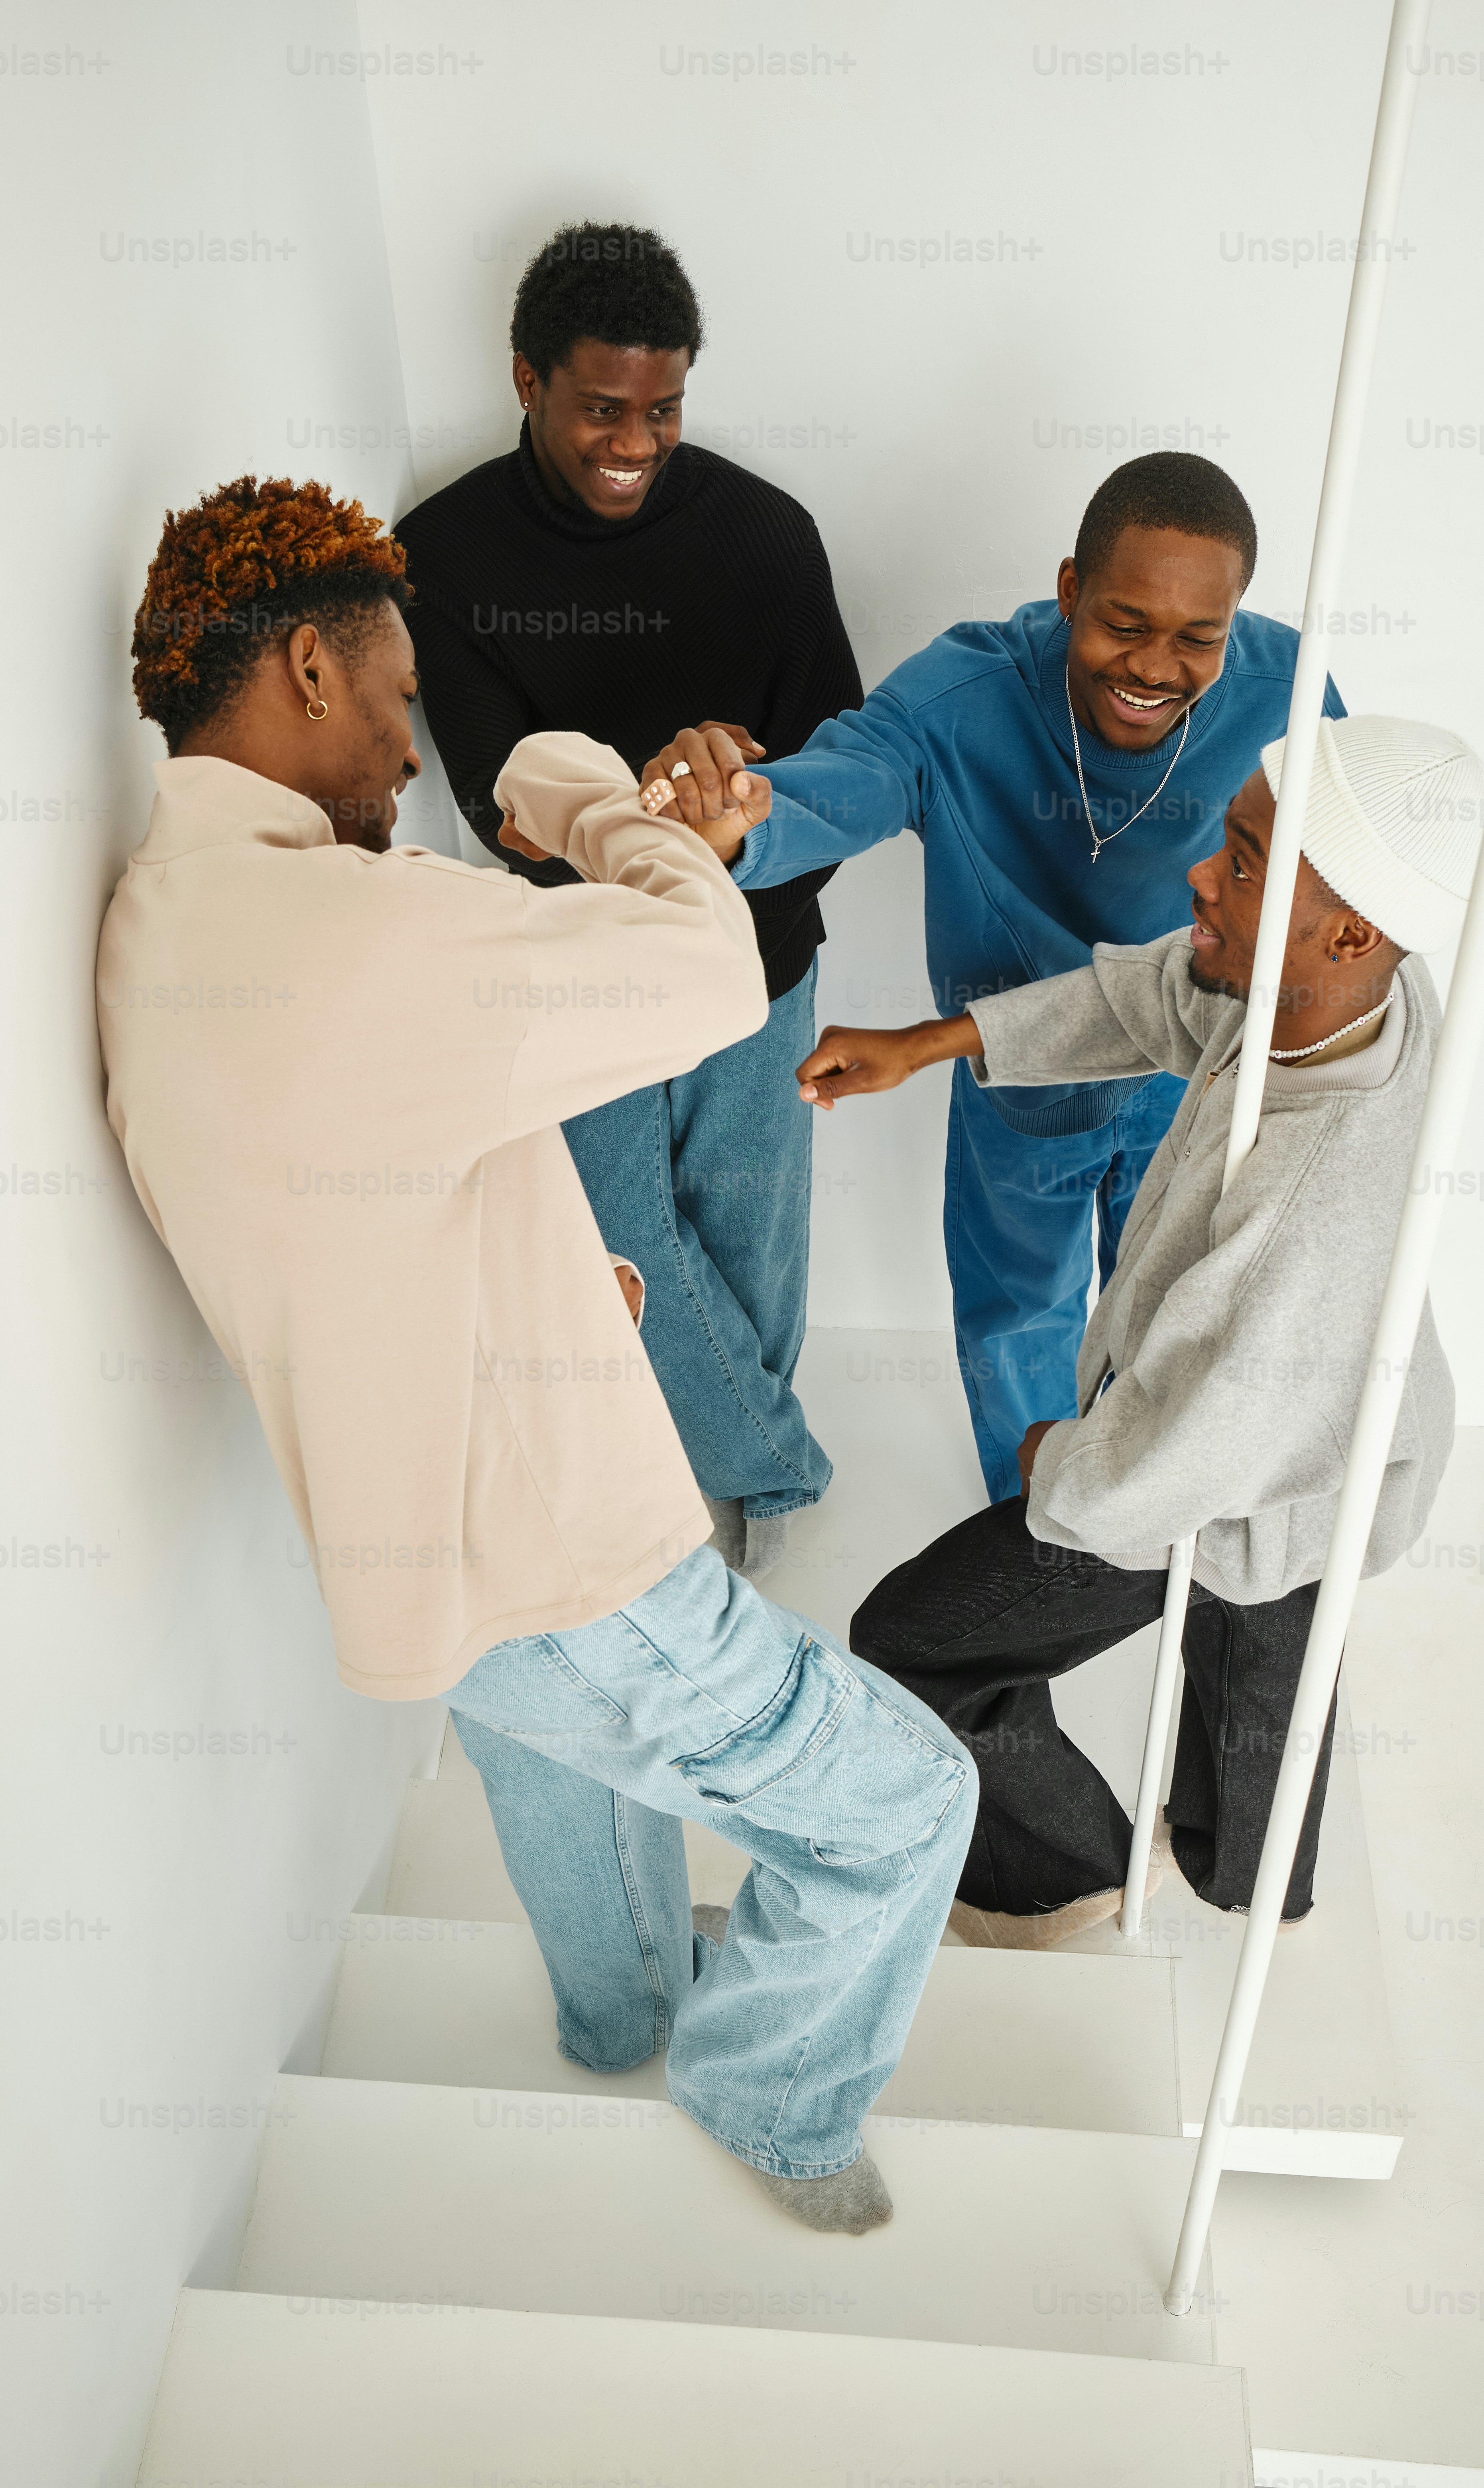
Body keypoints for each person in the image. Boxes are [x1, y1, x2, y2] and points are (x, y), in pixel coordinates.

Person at [98, 474, 976, 2232]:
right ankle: (770, 2104)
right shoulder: (361, 929)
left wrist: (559, 1293)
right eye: (405, 697)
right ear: (308, 672)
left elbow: (354, 1191)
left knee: (563, 1777)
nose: (412, 751)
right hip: (569, 1551)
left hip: (409, 1560)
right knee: (902, 1808)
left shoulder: (158, 921)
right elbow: (702, 971)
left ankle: (623, 2024)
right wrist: (572, 780)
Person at [792, 715, 1477, 1942]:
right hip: (1317, 1444)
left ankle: (1059, 1879)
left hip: (1262, 1454)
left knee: (914, 1642)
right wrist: (935, 1044)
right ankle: (1243, 1874)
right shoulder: (1341, 989)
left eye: (1248, 862)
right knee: (1261, 1655)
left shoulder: (1314, 1214)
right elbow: (1169, 989)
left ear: (1353, 930)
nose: (1200, 879)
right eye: (1230, 841)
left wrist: (1055, 1461)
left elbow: (1174, 1465)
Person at [644, 453, 1345, 1501]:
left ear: (1237, 621)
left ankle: (1153, 1518)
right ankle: (1031, 1544)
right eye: (1124, 623)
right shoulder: (963, 693)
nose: (1155, 666)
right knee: (1021, 1322)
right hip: (1018, 1078)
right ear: (1070, 591)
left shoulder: (1294, 694)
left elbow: (1342, 879)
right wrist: (739, 815)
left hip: (1198, 1077)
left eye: (1199, 637)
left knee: (1186, 1319)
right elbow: (850, 777)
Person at [394, 221, 864, 1577]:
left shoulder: (770, 538)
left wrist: (738, 822)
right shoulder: (444, 555)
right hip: (577, 963)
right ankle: (766, 1457)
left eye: (663, 410)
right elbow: (498, 802)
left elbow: (839, 778)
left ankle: (749, 1501)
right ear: (528, 377)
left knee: (747, 1226)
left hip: (760, 956)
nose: (635, 441)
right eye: (603, 408)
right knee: (616, 1237)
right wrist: (661, 806)